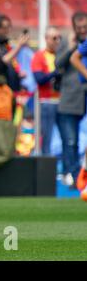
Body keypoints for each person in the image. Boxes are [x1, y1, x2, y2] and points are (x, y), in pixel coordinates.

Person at [55, 11, 87, 188]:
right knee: (70, 140)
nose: (82, 30)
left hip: (85, 96)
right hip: (70, 97)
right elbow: (57, 64)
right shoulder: (68, 44)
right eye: (79, 27)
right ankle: (74, 177)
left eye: (85, 27)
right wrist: (71, 47)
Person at [30, 26, 62, 155]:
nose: (57, 41)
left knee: (67, 138)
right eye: (54, 38)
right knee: (46, 138)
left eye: (59, 38)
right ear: (46, 39)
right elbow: (39, 79)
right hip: (47, 102)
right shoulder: (39, 56)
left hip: (63, 103)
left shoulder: (61, 55)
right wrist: (55, 73)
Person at [0, 14, 29, 93]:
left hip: (10, 91)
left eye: (9, 27)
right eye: (5, 28)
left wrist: (17, 74)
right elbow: (0, 63)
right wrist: (19, 46)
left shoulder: (4, 45)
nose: (8, 30)